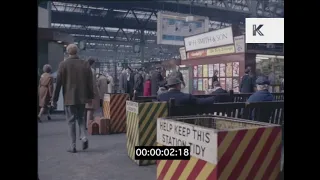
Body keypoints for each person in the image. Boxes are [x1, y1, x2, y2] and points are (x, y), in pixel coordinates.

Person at [52, 44, 94, 153]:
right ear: (77, 52)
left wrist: (54, 99)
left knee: (71, 121)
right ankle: (84, 137)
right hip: (82, 97)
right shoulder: (85, 64)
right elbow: (90, 83)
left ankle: (73, 146)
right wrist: (90, 96)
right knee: (80, 118)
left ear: (67, 52)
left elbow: (58, 84)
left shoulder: (63, 65)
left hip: (69, 98)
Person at [85, 58, 101, 127]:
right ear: (93, 63)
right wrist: (95, 93)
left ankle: (84, 125)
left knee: (85, 110)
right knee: (90, 109)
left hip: (82, 92)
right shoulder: (92, 71)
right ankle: (89, 125)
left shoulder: (82, 69)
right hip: (90, 92)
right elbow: (93, 83)